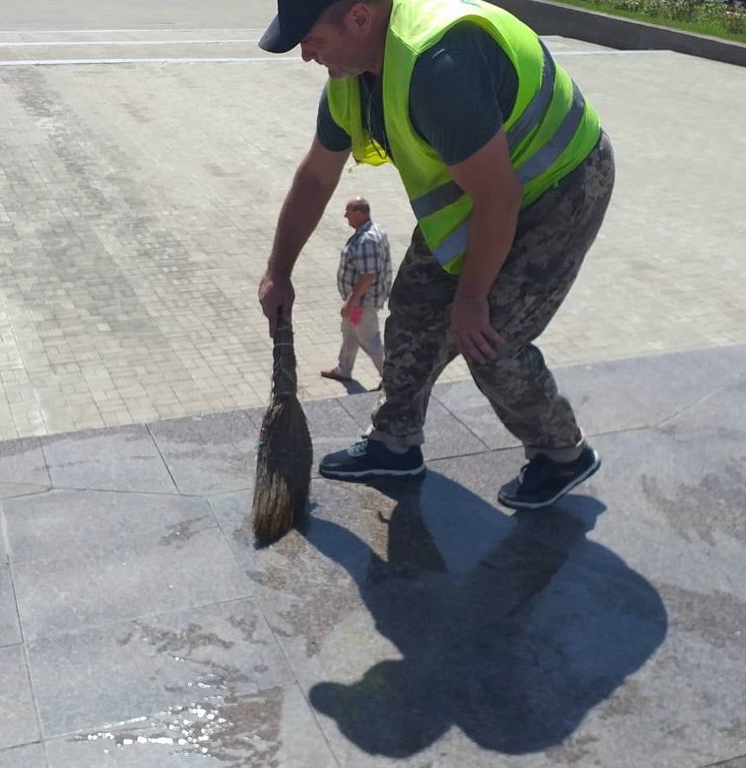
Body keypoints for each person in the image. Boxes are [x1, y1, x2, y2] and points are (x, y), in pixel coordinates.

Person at [255, 0, 616, 510]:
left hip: (560, 186)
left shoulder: (437, 64)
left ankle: (563, 452)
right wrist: (278, 270)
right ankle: (395, 442)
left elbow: (500, 197)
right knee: (414, 312)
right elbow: (317, 176)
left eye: (311, 39)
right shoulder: (349, 81)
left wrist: (471, 296)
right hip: (481, 184)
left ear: (359, 18)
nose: (305, 56)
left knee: (491, 341)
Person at [321, 196, 391, 387]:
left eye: (348, 211)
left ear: (360, 213)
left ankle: (391, 379)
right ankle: (343, 369)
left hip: (362, 302)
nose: (345, 215)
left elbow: (368, 276)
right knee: (350, 333)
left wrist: (350, 302)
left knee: (370, 341)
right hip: (359, 301)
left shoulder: (367, 239)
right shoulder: (371, 231)